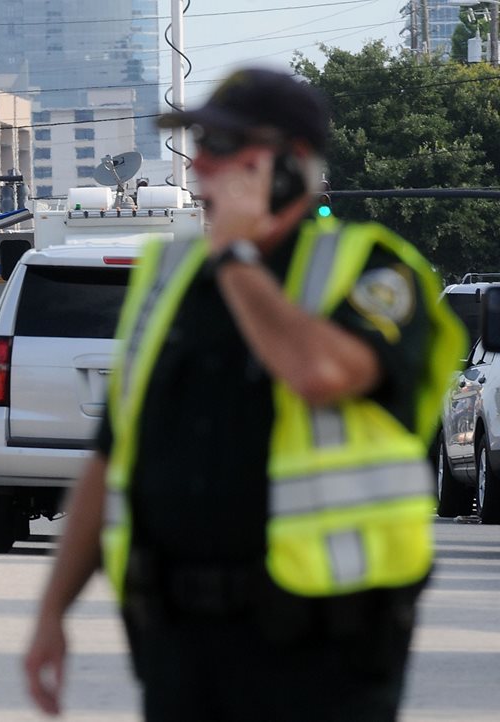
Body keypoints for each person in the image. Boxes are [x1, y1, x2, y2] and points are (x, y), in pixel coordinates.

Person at [23, 68, 466, 721]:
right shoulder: (169, 278)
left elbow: (319, 372)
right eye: (199, 145)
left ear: (289, 165)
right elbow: (111, 457)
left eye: (225, 147)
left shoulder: (372, 268)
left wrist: (235, 256)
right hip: (180, 643)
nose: (199, 164)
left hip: (324, 648)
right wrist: (52, 612)